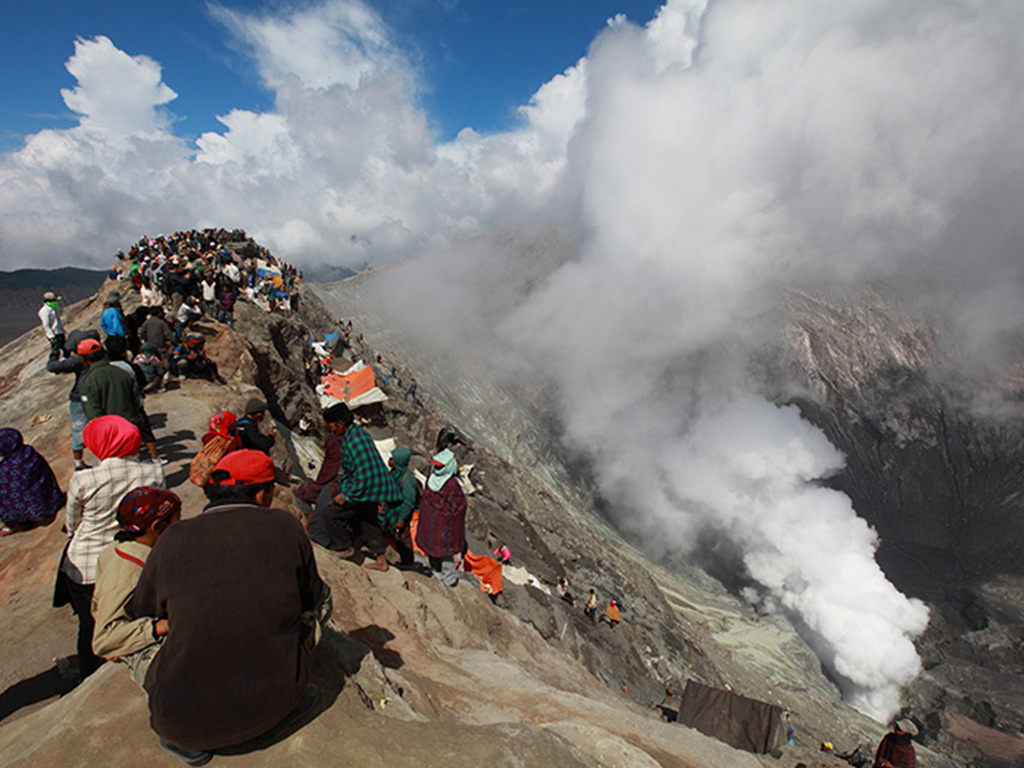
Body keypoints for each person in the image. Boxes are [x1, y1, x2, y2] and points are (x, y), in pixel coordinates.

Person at [132, 450, 328, 764]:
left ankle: (192, 744)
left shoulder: (172, 538)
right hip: (277, 704)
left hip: (181, 728)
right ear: (261, 494)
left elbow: (144, 608)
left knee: (147, 648)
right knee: (319, 608)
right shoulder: (285, 525)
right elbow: (313, 598)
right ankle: (276, 714)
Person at [57, 415, 165, 680]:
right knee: (130, 617)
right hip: (133, 560)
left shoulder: (84, 479)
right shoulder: (153, 472)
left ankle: (87, 676)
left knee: (89, 626)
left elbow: (72, 525)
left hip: (87, 564)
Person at [91, 487, 180, 686]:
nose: (181, 525)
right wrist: (162, 626)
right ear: (158, 527)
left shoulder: (117, 548)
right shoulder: (129, 570)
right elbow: (105, 639)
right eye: (177, 519)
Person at [312, 403, 401, 571]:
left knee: (331, 514)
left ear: (340, 424)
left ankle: (343, 547)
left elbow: (362, 476)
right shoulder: (359, 434)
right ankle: (381, 561)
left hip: (365, 487)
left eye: (332, 427)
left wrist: (345, 495)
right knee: (368, 520)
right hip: (373, 489)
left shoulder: (353, 442)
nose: (332, 431)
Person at [78, 338, 162, 464]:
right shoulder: (122, 373)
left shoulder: (87, 382)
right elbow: (136, 399)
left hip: (110, 435)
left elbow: (93, 414)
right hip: (131, 427)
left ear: (83, 359)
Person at [47, 329, 100, 469]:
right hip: (99, 396)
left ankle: (79, 463)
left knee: (78, 430)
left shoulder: (79, 360)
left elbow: (52, 367)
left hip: (80, 398)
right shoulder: (101, 355)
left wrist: (54, 352)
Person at [414, 448, 467, 586]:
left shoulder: (431, 480)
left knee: (433, 549)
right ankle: (449, 579)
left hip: (430, 524)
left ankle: (436, 573)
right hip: (445, 528)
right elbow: (460, 506)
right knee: (446, 553)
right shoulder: (451, 485)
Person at [0, 428, 65, 535]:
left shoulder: (6, 468)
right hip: (47, 501)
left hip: (27, 509)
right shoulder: (30, 453)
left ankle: (15, 523)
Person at [379, 447, 419, 569]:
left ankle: (407, 562)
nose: (390, 461)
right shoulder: (394, 473)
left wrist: (401, 519)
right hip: (390, 511)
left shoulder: (408, 480)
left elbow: (408, 502)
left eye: (393, 459)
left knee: (403, 538)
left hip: (400, 512)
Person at [38, 291, 67, 361]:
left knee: (65, 348)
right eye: (55, 300)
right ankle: (53, 363)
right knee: (55, 350)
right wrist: (51, 336)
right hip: (54, 334)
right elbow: (46, 325)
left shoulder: (54, 309)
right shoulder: (45, 311)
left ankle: (65, 360)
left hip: (59, 332)